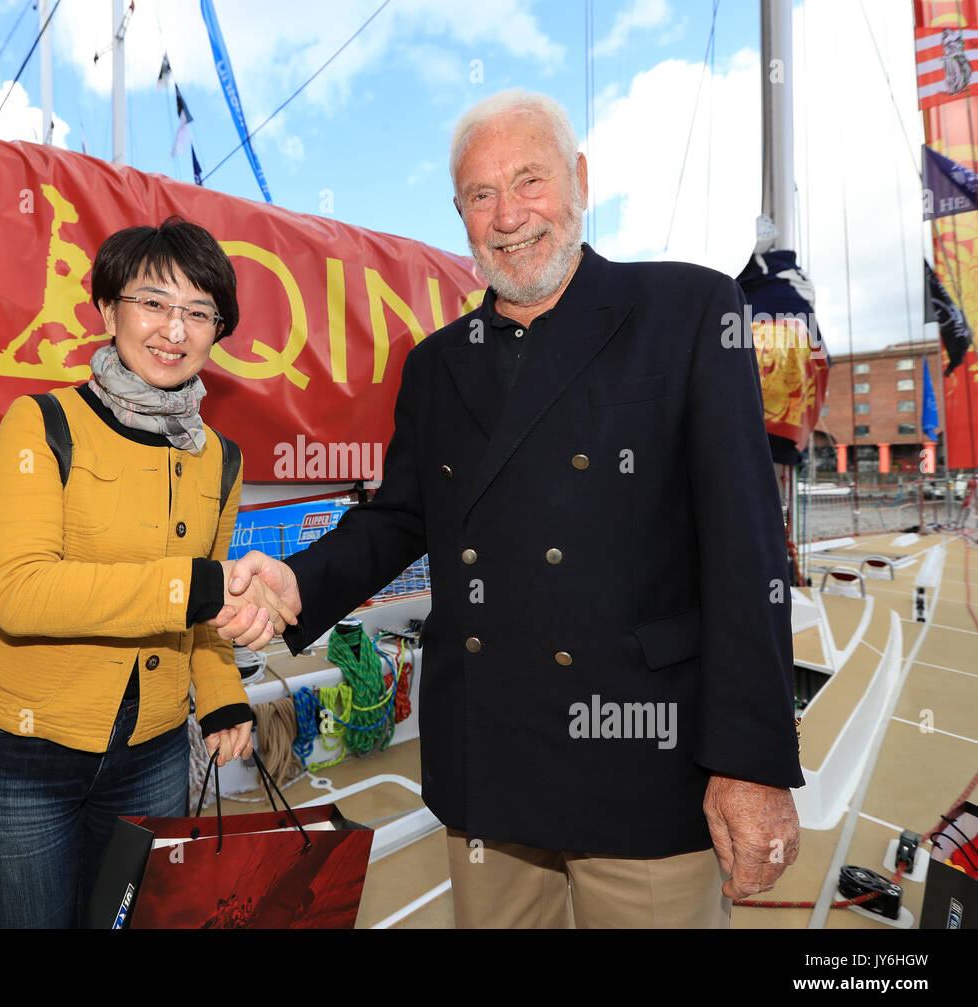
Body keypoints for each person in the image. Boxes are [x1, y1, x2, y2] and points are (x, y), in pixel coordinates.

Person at [227, 89, 804, 928]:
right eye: (480, 195)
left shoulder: (688, 311)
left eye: (528, 181)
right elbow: (400, 519)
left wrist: (752, 763)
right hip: (490, 764)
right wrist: (296, 585)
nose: (508, 216)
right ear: (459, 213)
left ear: (577, 180)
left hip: (645, 767)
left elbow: (748, 553)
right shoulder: (436, 366)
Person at [0, 216, 297, 928]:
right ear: (109, 310)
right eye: (153, 302)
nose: (176, 328)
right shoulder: (40, 423)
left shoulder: (221, 458)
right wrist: (194, 585)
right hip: (22, 751)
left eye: (200, 312)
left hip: (155, 751)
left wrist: (222, 695)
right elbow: (18, 593)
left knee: (129, 919)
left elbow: (209, 607)